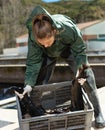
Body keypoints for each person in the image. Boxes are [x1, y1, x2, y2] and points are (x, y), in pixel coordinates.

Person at [22, 5, 105, 128]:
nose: (45, 45)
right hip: (47, 55)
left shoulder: (68, 28)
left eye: (48, 42)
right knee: (37, 81)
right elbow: (33, 62)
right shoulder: (33, 38)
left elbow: (80, 51)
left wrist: (80, 70)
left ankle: (98, 113)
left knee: (87, 75)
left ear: (55, 32)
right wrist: (28, 84)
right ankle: (35, 113)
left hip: (68, 48)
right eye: (42, 44)